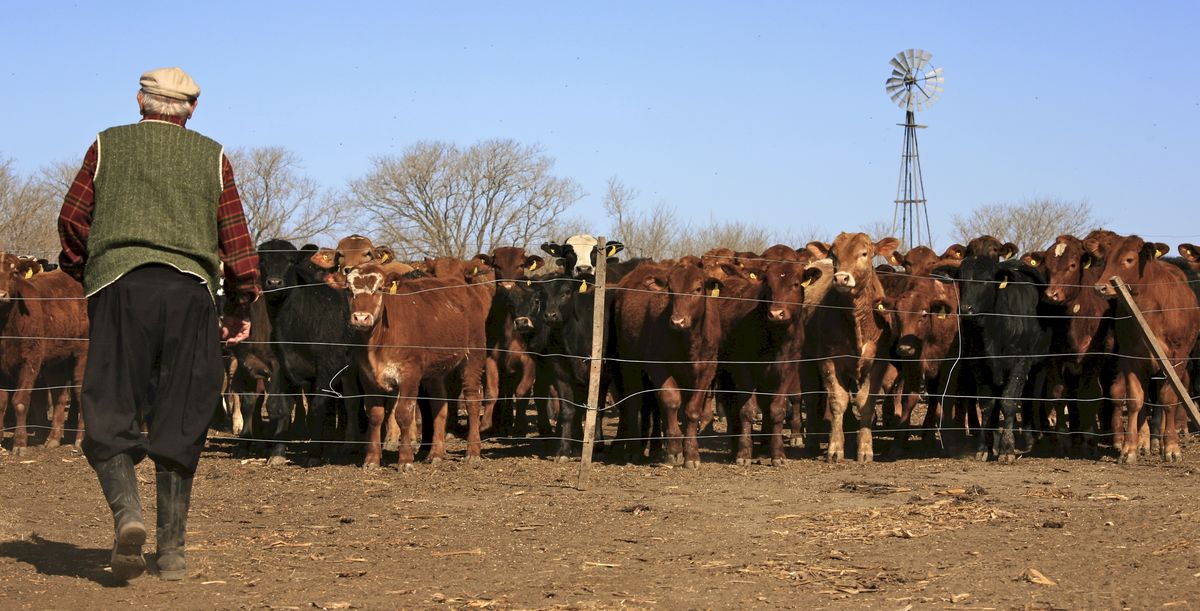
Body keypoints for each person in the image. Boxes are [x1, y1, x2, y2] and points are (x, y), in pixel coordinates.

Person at [57, 67, 260, 582]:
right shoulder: (212, 156)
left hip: (120, 289)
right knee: (183, 411)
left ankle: (129, 516)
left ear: (140, 101)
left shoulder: (106, 145)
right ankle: (171, 551)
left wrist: (92, 270)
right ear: (192, 109)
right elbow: (235, 239)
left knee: (109, 403)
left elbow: (73, 219)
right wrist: (240, 303)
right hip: (190, 292)